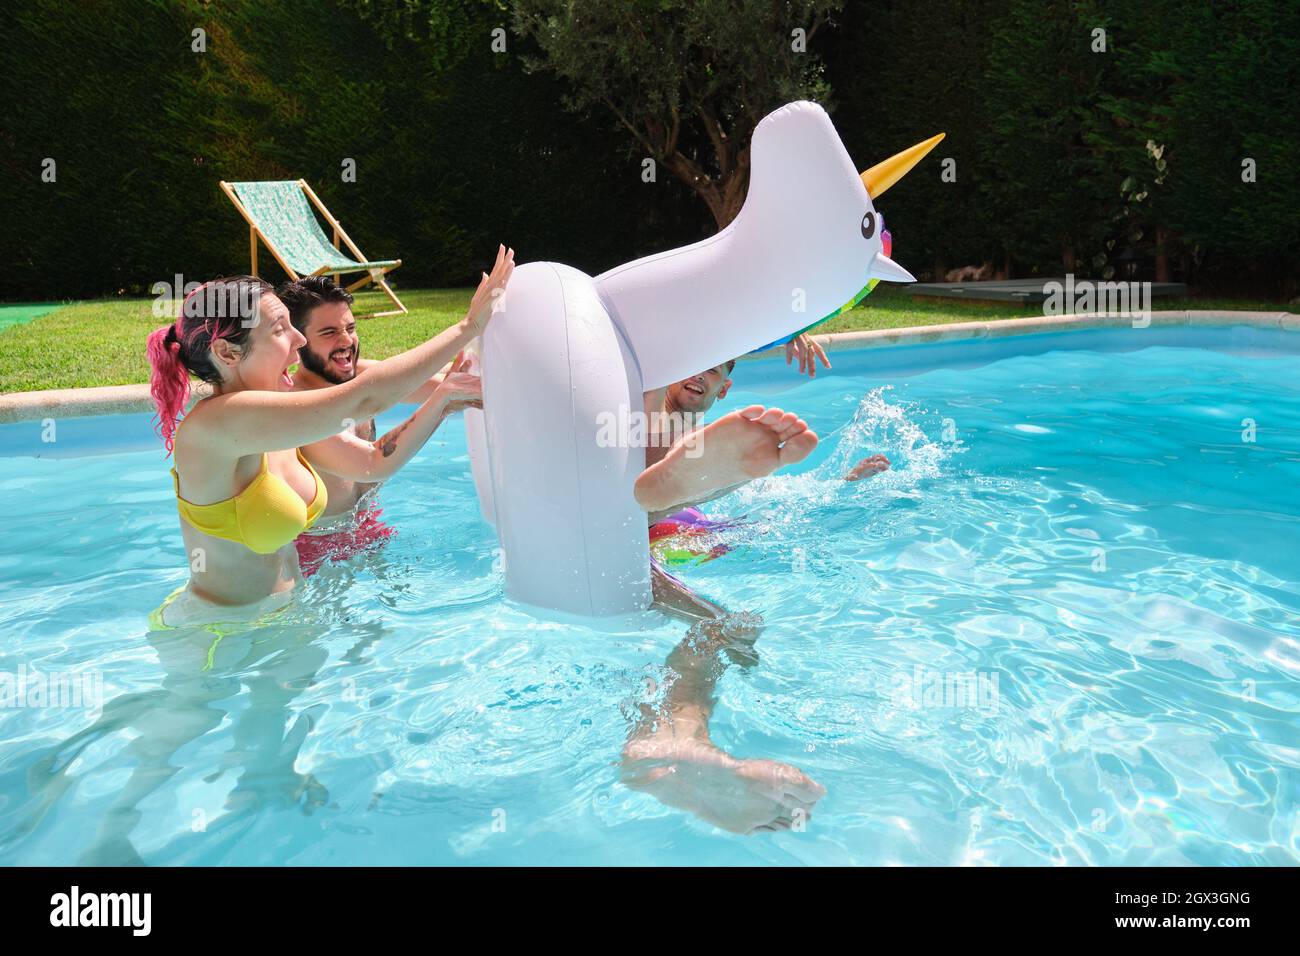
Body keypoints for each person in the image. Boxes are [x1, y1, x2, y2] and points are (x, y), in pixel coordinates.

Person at [144, 245, 514, 625]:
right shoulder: (220, 423)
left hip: (286, 618)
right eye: (279, 330)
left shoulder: (275, 409)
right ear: (228, 353)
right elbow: (363, 400)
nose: (299, 341)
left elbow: (371, 419)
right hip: (215, 636)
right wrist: (466, 327)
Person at [276, 277, 483, 574]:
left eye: (350, 328)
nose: (346, 342)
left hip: (368, 528)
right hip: (314, 552)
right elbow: (373, 462)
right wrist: (444, 399)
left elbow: (442, 383)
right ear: (299, 341)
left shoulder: (361, 379)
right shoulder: (296, 408)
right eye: (329, 332)